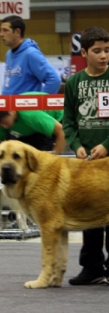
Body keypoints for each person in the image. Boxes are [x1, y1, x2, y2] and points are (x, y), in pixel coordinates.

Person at [62, 26, 109, 285]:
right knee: (90, 215)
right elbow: (68, 120)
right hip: (87, 164)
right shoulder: (74, 83)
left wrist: (106, 145)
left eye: (107, 50)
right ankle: (92, 268)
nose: (103, 56)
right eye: (97, 51)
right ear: (84, 53)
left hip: (108, 160)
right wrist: (76, 144)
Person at [0, 15, 61, 96]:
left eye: (5, 30)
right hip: (8, 106)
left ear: (17, 32)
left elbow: (54, 79)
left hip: (25, 107)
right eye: (1, 30)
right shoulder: (9, 54)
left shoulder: (31, 53)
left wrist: (42, 104)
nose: (1, 34)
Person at [0, 110, 66, 155]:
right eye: (1, 124)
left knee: (43, 160)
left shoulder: (30, 115)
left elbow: (62, 132)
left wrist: (54, 157)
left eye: (5, 122)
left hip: (57, 120)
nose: (4, 126)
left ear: (11, 111)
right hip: (28, 129)